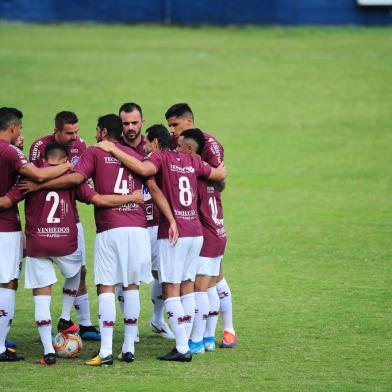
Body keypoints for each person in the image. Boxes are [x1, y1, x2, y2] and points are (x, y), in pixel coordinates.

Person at [21, 115, 178, 366]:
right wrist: (171, 220)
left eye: (96, 131)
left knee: (106, 286)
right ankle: (128, 348)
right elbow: (155, 189)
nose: (94, 136)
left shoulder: (94, 153)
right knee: (132, 286)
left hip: (110, 228)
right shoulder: (137, 156)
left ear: (104, 132)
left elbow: (75, 180)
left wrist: (39, 185)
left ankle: (105, 351)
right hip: (138, 230)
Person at [96, 124, 226, 362]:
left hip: (174, 234)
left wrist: (114, 150)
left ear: (155, 143)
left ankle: (182, 347)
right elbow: (218, 174)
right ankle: (185, 343)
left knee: (170, 289)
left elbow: (144, 169)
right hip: (196, 232)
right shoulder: (190, 160)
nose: (145, 148)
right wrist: (221, 166)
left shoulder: (160, 157)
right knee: (187, 285)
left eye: (147, 144)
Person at [0, 107, 73, 362]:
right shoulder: (10, 152)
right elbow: (38, 175)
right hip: (5, 228)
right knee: (7, 282)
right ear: (12, 128)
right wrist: (68, 166)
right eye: (19, 128)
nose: (20, 133)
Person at [165, 103, 237, 348]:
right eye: (169, 126)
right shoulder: (180, 147)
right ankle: (207, 336)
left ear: (189, 121)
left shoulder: (207, 145)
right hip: (205, 222)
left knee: (202, 284)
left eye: (175, 125)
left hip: (205, 221)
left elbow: (220, 174)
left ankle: (208, 335)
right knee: (211, 280)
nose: (172, 130)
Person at [29, 111, 100, 341]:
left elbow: (81, 179)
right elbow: (36, 176)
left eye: (77, 131)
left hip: (72, 218)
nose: (75, 137)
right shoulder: (39, 146)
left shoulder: (82, 146)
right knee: (44, 278)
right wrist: (67, 172)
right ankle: (58, 322)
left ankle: (84, 323)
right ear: (56, 131)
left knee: (80, 270)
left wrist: (68, 176)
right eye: (69, 133)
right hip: (44, 223)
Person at [118, 102, 174, 340]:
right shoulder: (114, 147)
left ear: (142, 121)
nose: (130, 127)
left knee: (162, 274)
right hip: (128, 222)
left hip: (156, 223)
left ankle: (157, 320)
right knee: (126, 275)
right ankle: (130, 326)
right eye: (126, 123)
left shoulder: (153, 146)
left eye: (134, 122)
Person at [177, 129, 228, 354]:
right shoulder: (213, 177)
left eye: (180, 147)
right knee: (211, 288)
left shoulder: (194, 177)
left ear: (189, 149)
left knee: (200, 290)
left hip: (206, 238)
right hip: (219, 234)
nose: (177, 151)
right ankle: (208, 338)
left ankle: (196, 340)